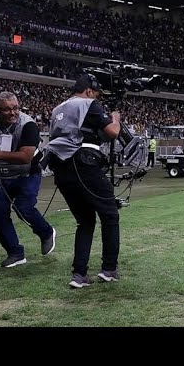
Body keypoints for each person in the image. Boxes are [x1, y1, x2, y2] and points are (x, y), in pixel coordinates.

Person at [43, 73, 122, 288]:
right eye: (96, 93)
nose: (96, 97)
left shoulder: (58, 109)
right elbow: (113, 132)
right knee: (110, 214)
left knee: (85, 221)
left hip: (61, 168)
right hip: (83, 163)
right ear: (89, 91)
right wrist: (115, 117)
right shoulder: (87, 103)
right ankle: (109, 269)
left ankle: (79, 275)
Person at [0, 92, 56, 268]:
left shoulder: (28, 124)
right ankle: (15, 253)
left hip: (27, 173)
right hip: (0, 175)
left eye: (15, 108)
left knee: (23, 207)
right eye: (7, 109)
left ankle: (46, 232)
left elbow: (26, 156)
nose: (12, 112)